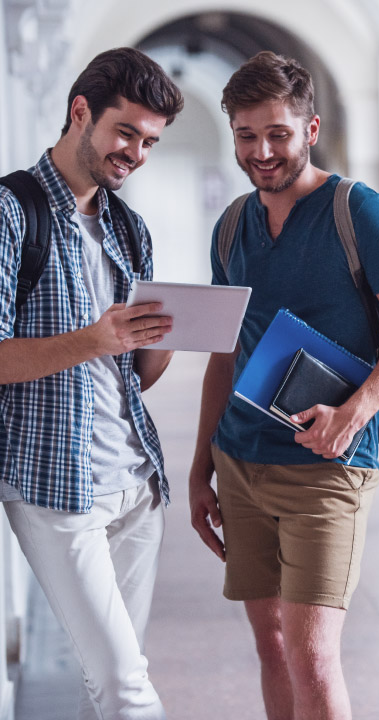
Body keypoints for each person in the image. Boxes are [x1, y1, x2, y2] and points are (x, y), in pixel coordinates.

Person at [187, 52, 379, 720]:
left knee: (312, 658)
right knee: (271, 649)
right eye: (245, 135)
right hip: (240, 465)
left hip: (326, 467)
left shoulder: (360, 212)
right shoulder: (233, 224)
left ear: (311, 128)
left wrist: (354, 414)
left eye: (277, 133)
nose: (261, 151)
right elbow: (223, 352)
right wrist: (199, 470)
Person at [0, 48, 183, 719]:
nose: (136, 152)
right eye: (126, 132)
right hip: (56, 487)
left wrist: (168, 338)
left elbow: (134, 377)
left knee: (109, 682)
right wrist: (95, 339)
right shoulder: (11, 212)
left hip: (136, 484)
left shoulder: (127, 228)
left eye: (151, 142)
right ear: (81, 111)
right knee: (126, 689)